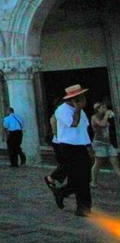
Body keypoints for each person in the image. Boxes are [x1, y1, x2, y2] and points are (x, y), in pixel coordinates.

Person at [50, 85, 93, 216]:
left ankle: (64, 193)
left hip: (81, 146)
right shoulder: (62, 110)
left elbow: (83, 130)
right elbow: (74, 124)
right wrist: (78, 109)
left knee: (85, 177)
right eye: (81, 97)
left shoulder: (81, 111)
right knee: (78, 177)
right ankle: (82, 207)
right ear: (74, 99)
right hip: (69, 147)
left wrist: (89, 146)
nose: (84, 99)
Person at [90, 101, 120, 189]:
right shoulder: (94, 117)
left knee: (115, 162)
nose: (105, 109)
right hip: (99, 144)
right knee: (98, 163)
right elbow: (102, 124)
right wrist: (107, 114)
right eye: (103, 108)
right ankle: (93, 182)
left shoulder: (105, 117)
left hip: (108, 143)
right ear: (98, 109)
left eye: (105, 108)